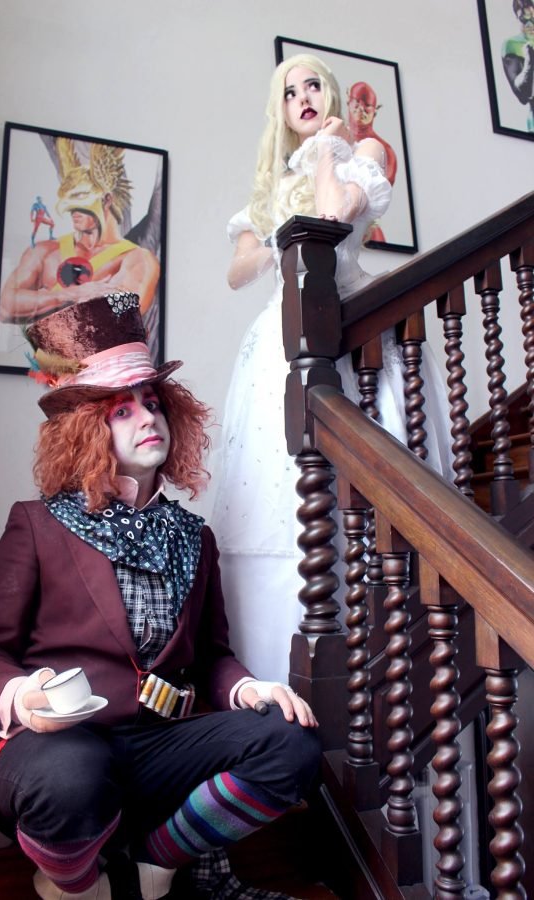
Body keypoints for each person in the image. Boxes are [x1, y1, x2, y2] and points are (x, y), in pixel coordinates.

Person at [0, 290, 321, 900]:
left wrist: (250, 689)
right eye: (122, 410)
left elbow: (211, 656)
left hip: (159, 743)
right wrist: (20, 696)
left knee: (292, 742)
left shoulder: (195, 536)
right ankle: (76, 884)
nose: (148, 418)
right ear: (87, 430)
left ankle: (154, 862)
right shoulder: (36, 523)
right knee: (72, 777)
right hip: (58, 747)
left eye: (153, 403)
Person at [211, 54, 454, 684]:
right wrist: (273, 238)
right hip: (282, 335)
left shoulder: (361, 152)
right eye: (289, 92)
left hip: (353, 323)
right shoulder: (272, 183)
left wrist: (327, 148)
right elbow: (237, 272)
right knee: (286, 487)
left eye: (313, 84)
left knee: (371, 479)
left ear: (332, 93)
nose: (303, 97)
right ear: (280, 110)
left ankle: (385, 652)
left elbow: (333, 213)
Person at [0, 139, 160, 334]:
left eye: (81, 198)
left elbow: (117, 321)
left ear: (106, 199)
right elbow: (6, 306)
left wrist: (41, 299)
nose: (70, 208)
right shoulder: (44, 252)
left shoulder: (138, 259)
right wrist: (73, 294)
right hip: (43, 355)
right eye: (67, 200)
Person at [346, 81, 397, 243]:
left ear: (375, 111)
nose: (360, 110)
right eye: (357, 103)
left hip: (367, 235)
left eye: (367, 106)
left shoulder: (386, 151)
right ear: (348, 102)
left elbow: (373, 198)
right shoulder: (334, 140)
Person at [502, 0, 534, 132]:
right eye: (524, 19)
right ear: (517, 18)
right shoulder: (512, 44)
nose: (530, 24)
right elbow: (523, 95)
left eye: (532, 18)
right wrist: (529, 61)